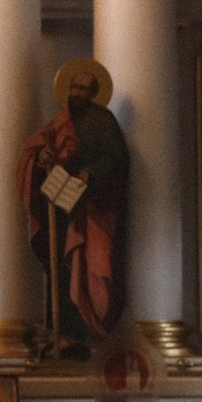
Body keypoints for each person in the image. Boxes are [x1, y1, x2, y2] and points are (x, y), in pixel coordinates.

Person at [20, 60, 131, 350]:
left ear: (94, 93)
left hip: (91, 208)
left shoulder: (102, 121)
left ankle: (88, 331)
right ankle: (62, 332)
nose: (78, 93)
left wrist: (90, 173)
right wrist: (42, 155)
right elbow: (39, 147)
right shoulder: (60, 120)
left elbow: (116, 159)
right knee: (60, 266)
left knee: (89, 266)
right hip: (59, 206)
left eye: (84, 89)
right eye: (75, 87)